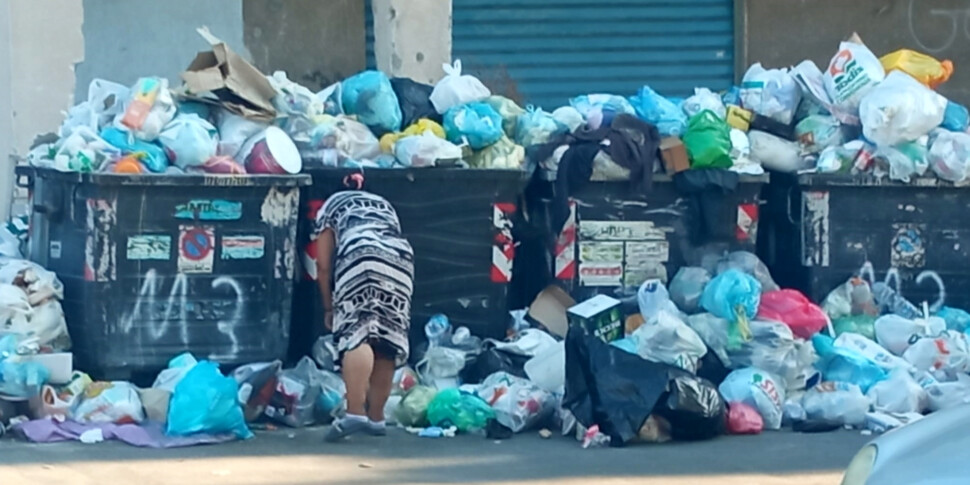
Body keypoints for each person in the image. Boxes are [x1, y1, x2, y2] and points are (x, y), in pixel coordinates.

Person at [313, 173, 414, 442]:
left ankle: (355, 411)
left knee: (357, 333)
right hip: (401, 261)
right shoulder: (384, 203)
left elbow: (323, 266)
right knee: (387, 336)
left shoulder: (332, 205)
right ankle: (377, 418)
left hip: (361, 257)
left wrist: (328, 307)